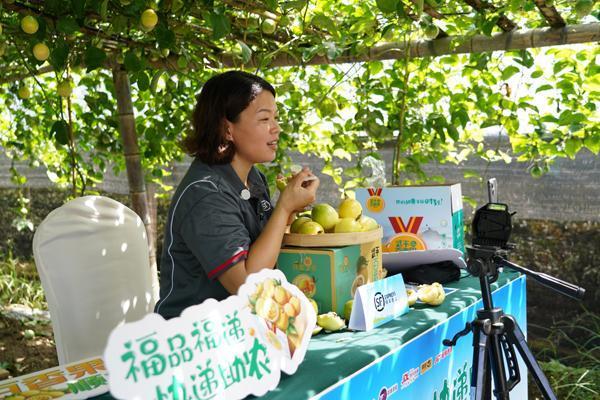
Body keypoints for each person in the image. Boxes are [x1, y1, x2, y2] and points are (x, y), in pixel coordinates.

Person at [154, 71, 319, 319]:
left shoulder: (253, 179)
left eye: (276, 118)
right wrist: (284, 207)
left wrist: (290, 211)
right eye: (264, 119)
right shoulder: (205, 194)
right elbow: (247, 287)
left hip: (244, 326)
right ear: (227, 129)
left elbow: (265, 252)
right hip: (195, 335)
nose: (276, 128)